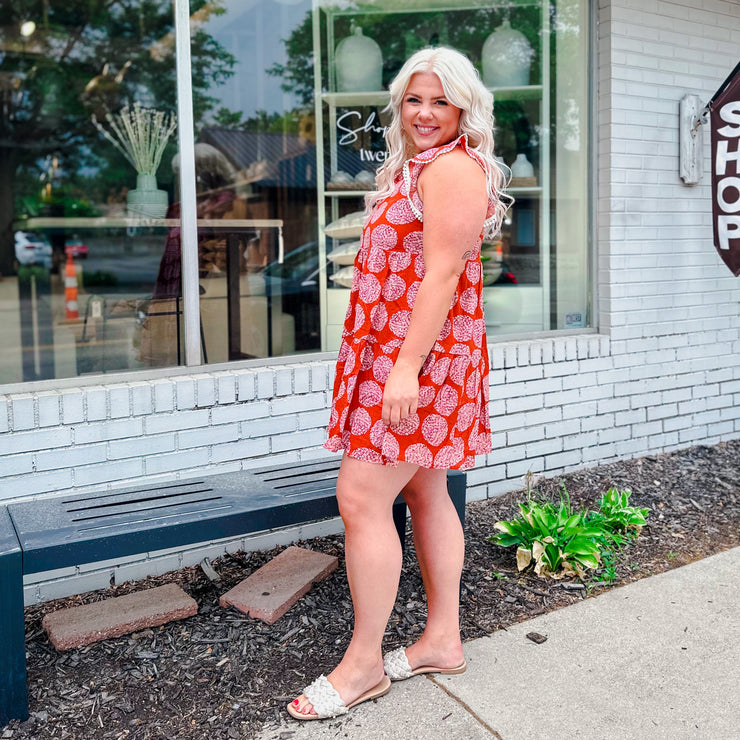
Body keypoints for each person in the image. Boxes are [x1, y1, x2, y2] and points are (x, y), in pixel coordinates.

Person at [288, 46, 510, 721]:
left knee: (359, 494)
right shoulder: (419, 167)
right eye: (415, 99)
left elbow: (442, 276)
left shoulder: (450, 170)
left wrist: (405, 369)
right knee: (423, 485)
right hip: (405, 354)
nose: (424, 112)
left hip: (422, 361)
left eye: (441, 100)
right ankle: (441, 639)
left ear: (465, 108)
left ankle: (361, 667)